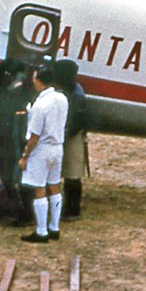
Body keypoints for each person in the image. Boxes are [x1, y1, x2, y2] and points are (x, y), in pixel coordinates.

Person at [17, 63, 69, 244]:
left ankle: (41, 231)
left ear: (37, 80)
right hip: (58, 147)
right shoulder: (62, 98)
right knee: (54, 187)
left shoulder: (40, 105)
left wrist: (25, 156)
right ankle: (54, 227)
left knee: (39, 189)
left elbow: (34, 136)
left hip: (42, 148)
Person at [54, 60, 89, 218]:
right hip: (65, 132)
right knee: (71, 172)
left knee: (72, 172)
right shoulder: (72, 89)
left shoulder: (77, 95)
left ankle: (72, 209)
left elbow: (78, 120)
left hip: (73, 135)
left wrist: (63, 135)